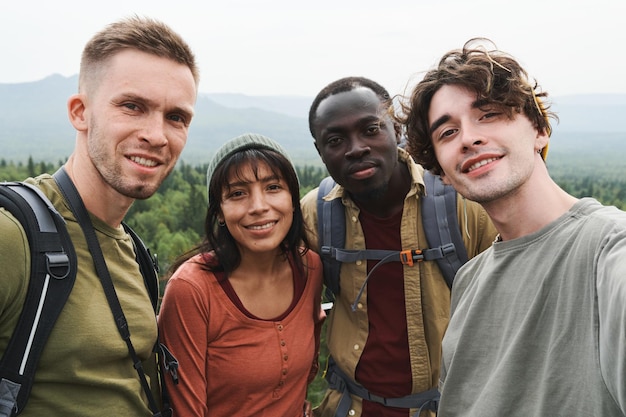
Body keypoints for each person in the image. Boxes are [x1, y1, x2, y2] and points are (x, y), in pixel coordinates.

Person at [399, 38, 626, 417]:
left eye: (487, 114)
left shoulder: (608, 249)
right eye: (447, 133)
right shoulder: (469, 280)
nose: (469, 137)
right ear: (443, 174)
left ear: (539, 130)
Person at [0, 16, 199, 417]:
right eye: (132, 106)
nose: (157, 135)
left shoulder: (133, 251)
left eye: (176, 117)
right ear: (80, 112)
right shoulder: (14, 236)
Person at [300, 76, 497, 417]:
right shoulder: (315, 215)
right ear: (320, 152)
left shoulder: (465, 207)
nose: (356, 147)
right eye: (335, 140)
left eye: (371, 130)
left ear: (397, 130)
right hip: (349, 407)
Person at [157, 133, 325, 417]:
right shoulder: (192, 289)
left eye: (273, 187)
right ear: (219, 212)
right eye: (237, 193)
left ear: (293, 201)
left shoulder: (309, 268)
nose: (258, 206)